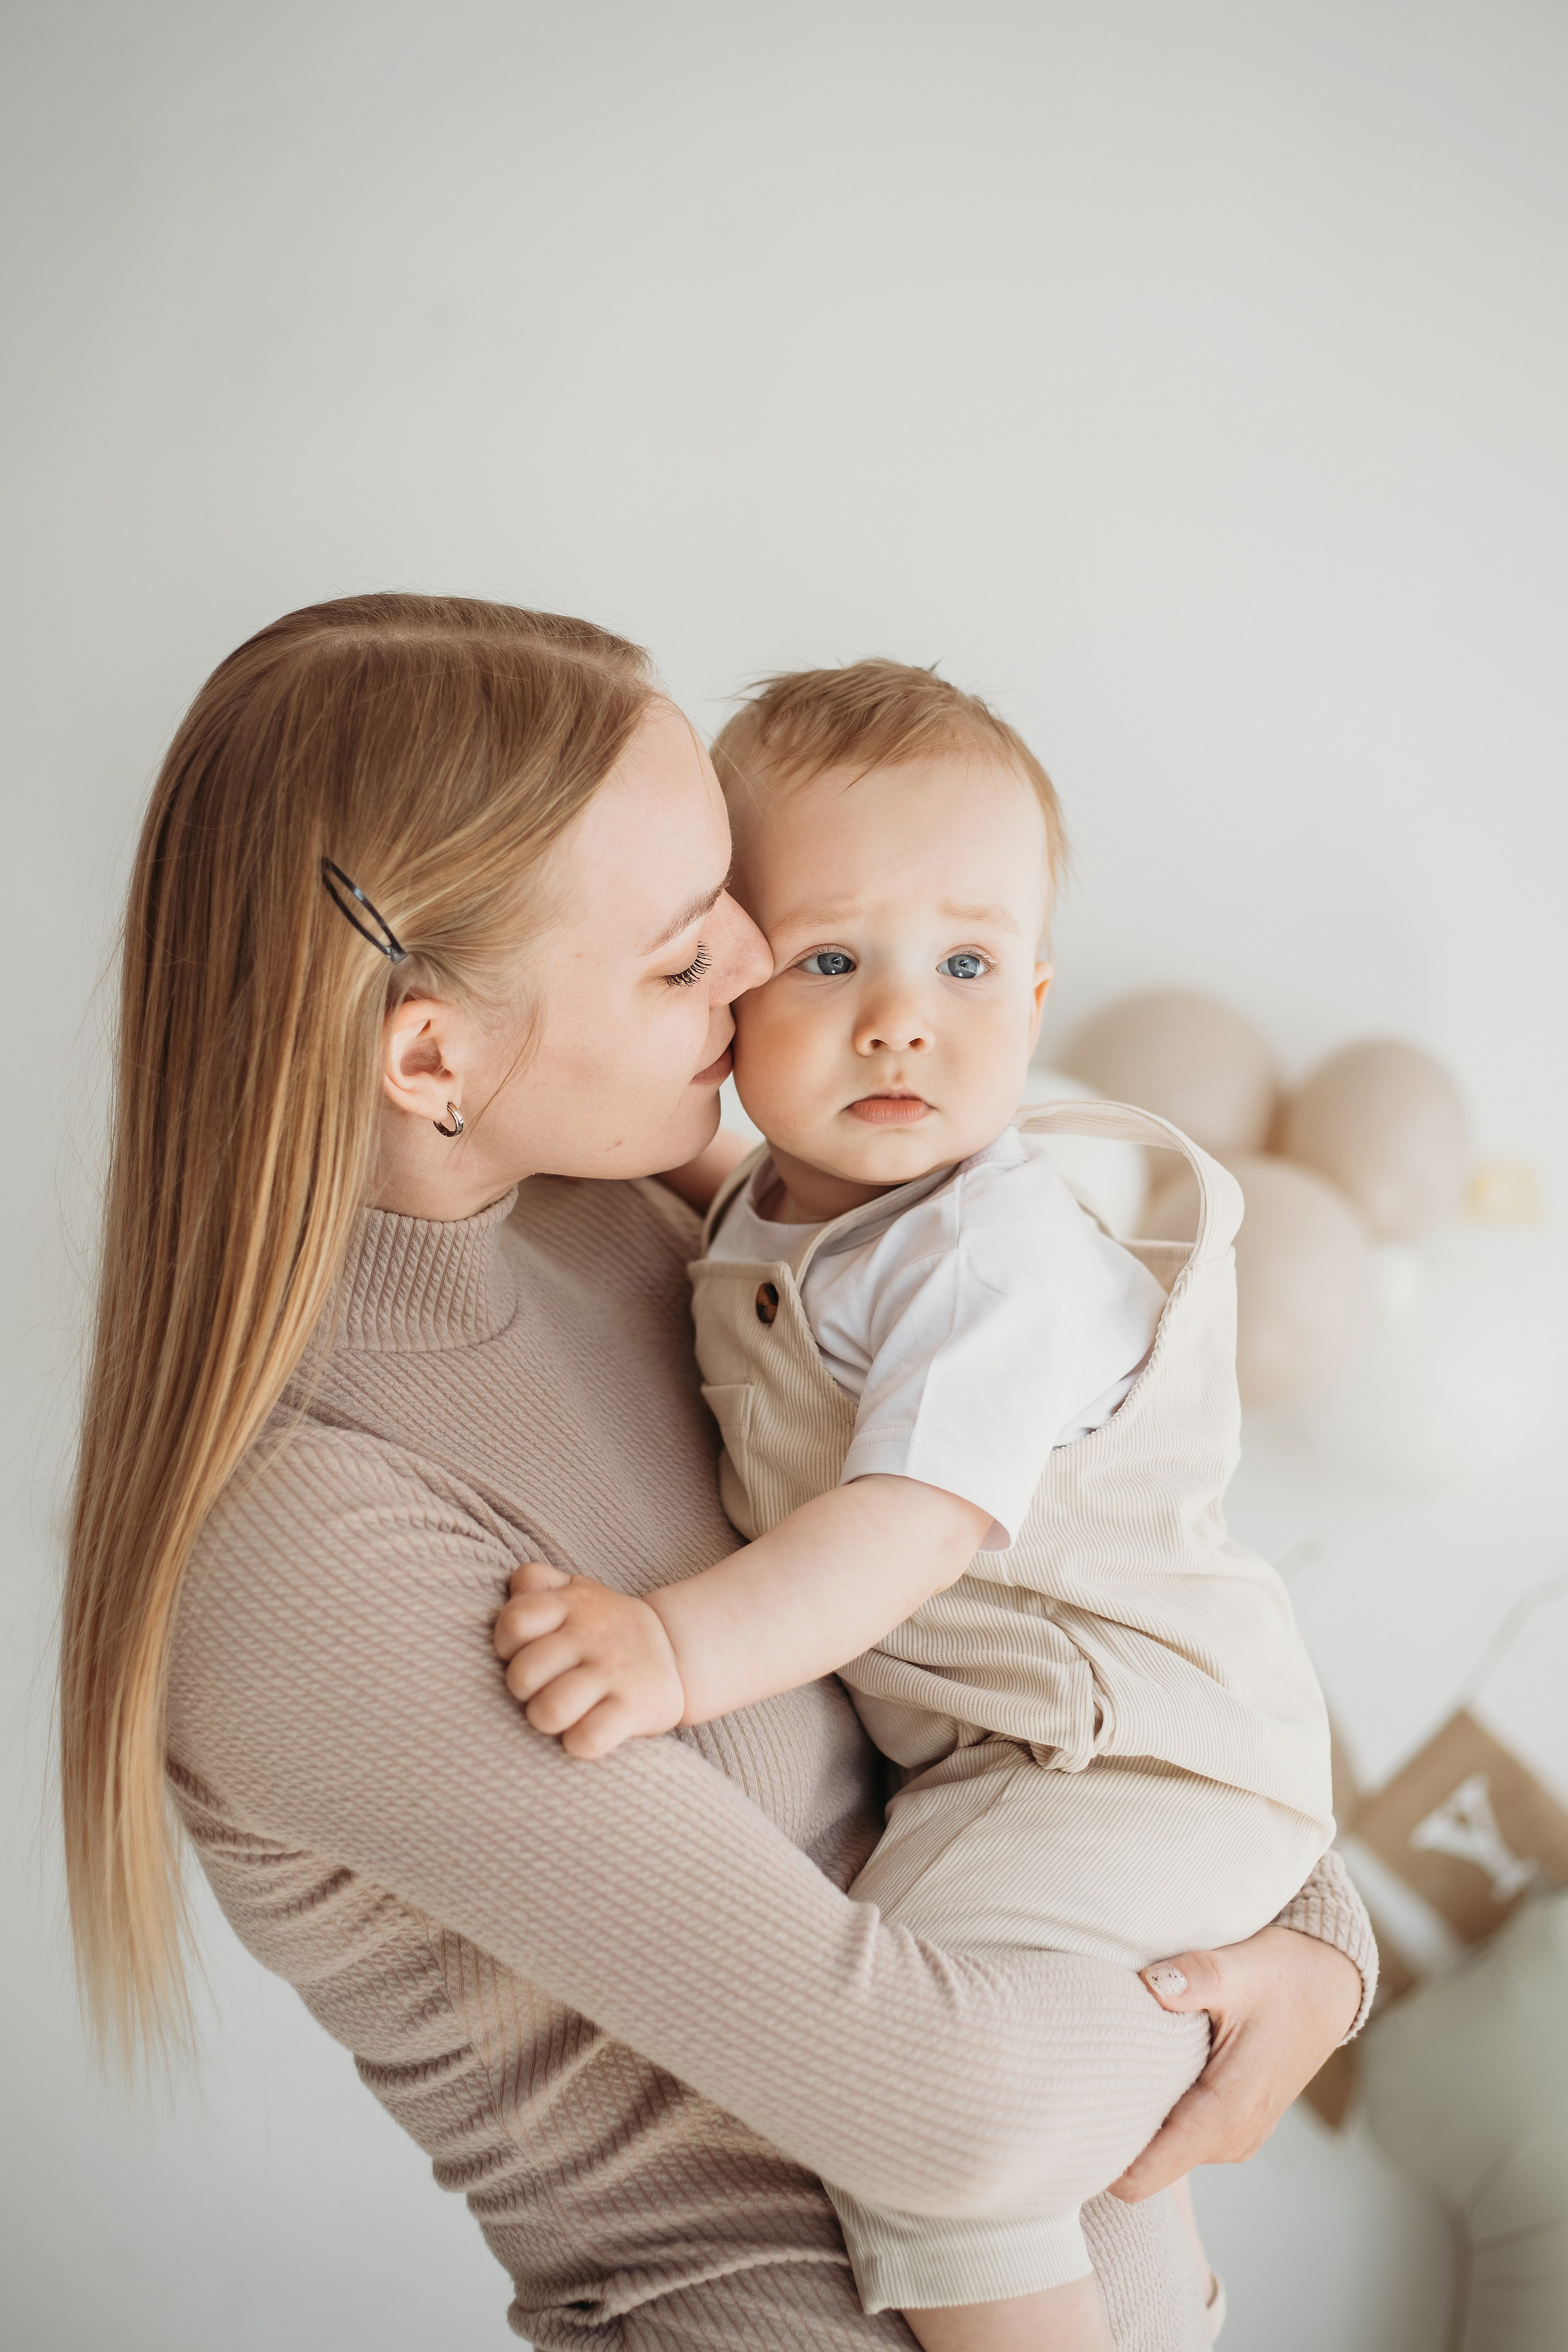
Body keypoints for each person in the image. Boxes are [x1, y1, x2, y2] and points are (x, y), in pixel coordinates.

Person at [61, 596, 1374, 2352]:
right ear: (431, 1054)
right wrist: (1253, 1996)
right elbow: (950, 2109)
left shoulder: (662, 1224)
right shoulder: (310, 1544)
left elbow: (1074, 1600)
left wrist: (1315, 1924)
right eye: (690, 955)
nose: (769, 967)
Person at [492, 663, 1338, 2350]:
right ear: (727, 987)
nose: (902, 1020)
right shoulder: (797, 1205)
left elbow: (909, 1521)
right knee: (1042, 2096)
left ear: (1031, 999)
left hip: (1131, 1758)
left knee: (913, 2061)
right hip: (1017, 1758)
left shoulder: (1000, 1255)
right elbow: (758, 1237)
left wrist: (668, 1655)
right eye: (831, 961)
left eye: (963, 965)